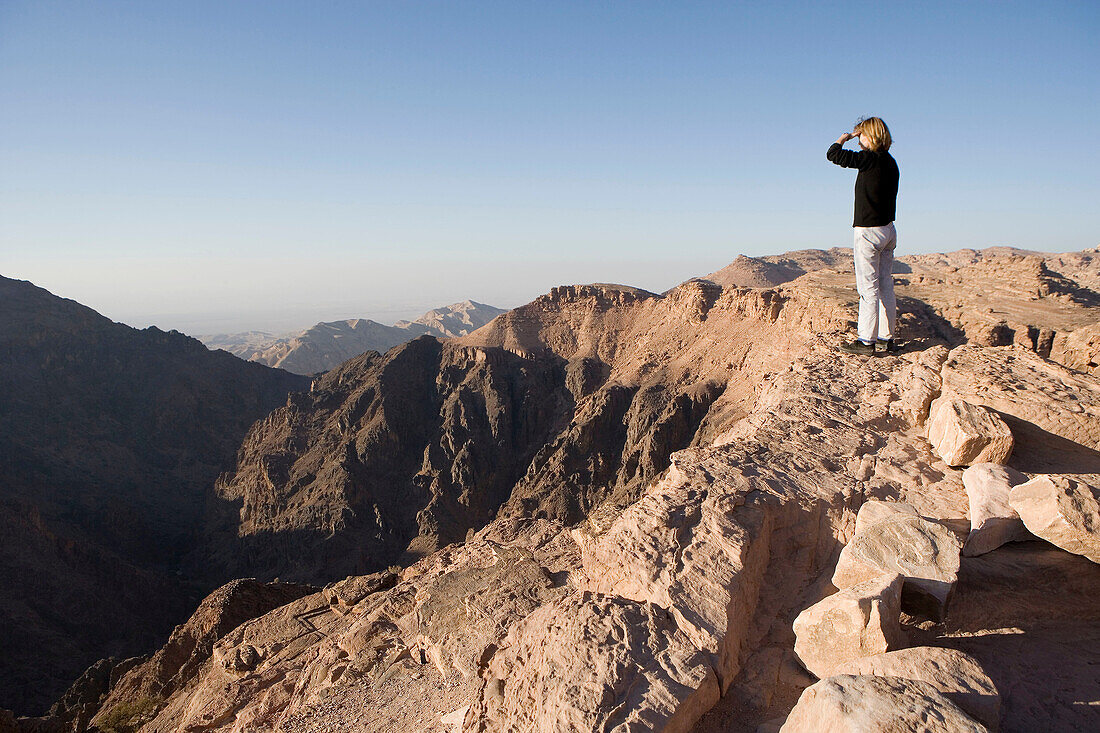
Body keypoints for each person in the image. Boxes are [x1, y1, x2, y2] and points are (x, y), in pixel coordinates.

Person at [827, 116, 900, 355]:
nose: (859, 142)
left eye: (862, 136)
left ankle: (866, 341)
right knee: (885, 285)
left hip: (868, 232)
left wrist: (844, 137)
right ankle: (886, 339)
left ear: (871, 135)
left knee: (867, 288)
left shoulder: (869, 160)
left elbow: (834, 155)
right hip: (888, 231)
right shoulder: (891, 162)